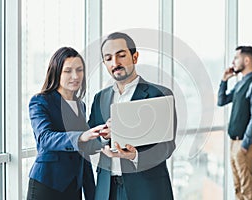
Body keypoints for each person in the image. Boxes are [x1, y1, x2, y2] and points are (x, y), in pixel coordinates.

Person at [88, 32, 176, 200]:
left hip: (146, 188)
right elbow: (91, 141)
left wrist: (135, 156)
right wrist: (105, 136)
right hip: (107, 189)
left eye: (121, 55)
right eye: (108, 58)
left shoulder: (159, 95)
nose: (115, 63)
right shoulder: (100, 98)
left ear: (135, 57)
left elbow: (166, 147)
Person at [27, 47, 106, 200]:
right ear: (56, 73)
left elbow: (84, 153)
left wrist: (103, 136)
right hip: (48, 185)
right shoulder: (41, 101)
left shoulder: (80, 105)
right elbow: (45, 138)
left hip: (73, 187)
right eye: (68, 71)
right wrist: (81, 136)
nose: (75, 76)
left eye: (79, 70)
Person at [217, 46, 252, 200]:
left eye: (236, 58)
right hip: (234, 143)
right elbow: (221, 100)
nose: (233, 62)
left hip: (245, 145)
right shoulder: (240, 84)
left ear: (247, 60)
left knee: (248, 191)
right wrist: (224, 80)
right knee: (238, 188)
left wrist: (244, 145)